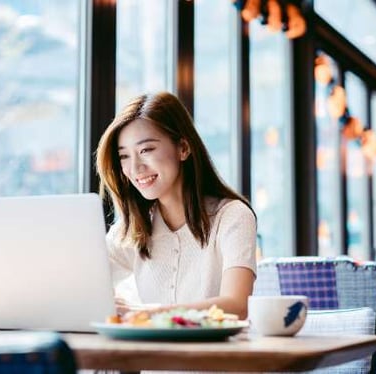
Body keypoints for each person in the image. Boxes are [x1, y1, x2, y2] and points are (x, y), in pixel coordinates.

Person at [95, 92, 257, 320]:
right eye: (124, 156)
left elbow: (237, 305)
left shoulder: (232, 216)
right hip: (151, 353)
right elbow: (82, 286)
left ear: (183, 148)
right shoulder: (132, 229)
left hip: (217, 353)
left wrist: (150, 313)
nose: (135, 168)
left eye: (146, 150)